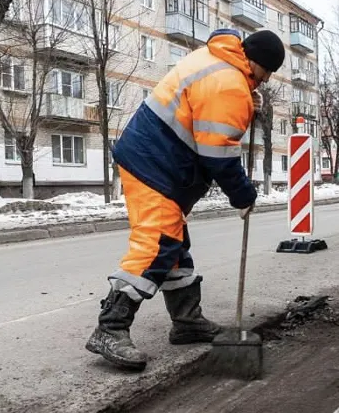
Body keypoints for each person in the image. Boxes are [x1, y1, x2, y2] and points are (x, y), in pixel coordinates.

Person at [85, 28, 285, 371]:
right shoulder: (229, 84)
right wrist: (243, 195)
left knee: (174, 243)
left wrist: (246, 102)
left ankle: (187, 321)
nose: (264, 83)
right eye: (266, 75)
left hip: (155, 158)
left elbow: (204, 117)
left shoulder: (217, 61)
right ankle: (110, 327)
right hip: (155, 164)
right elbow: (218, 154)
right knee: (158, 241)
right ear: (257, 65)